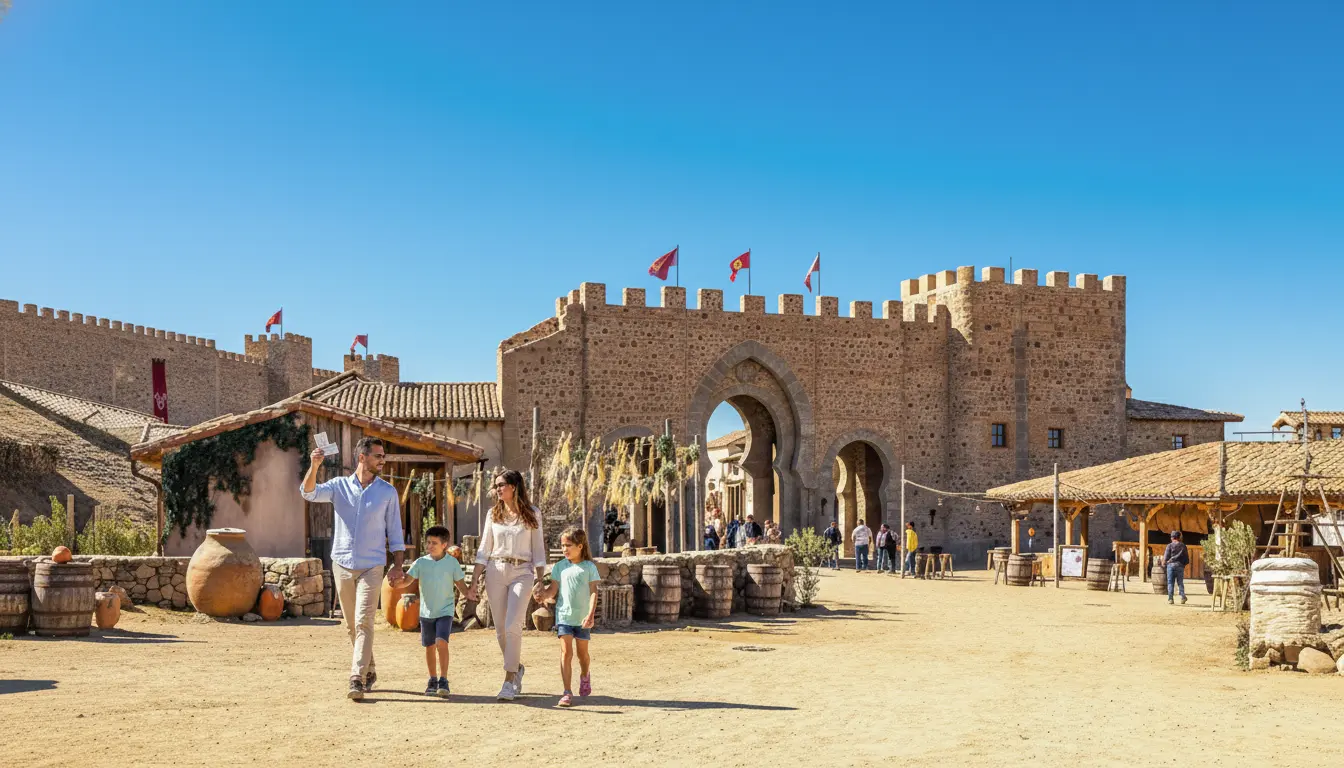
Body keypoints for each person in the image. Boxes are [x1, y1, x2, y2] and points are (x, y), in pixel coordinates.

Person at [301, 436, 408, 701]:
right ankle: (369, 669)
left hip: (373, 565)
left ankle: (356, 678)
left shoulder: (387, 492)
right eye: (378, 456)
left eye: (384, 456)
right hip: (343, 564)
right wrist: (314, 467)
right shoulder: (338, 486)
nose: (383, 460)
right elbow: (308, 493)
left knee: (364, 622)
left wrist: (397, 566)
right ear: (362, 457)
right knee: (351, 626)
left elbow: (395, 531)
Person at [470, 469, 546, 701]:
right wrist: (474, 580)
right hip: (495, 570)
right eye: (496, 485)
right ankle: (517, 667)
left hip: (522, 572)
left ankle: (509, 680)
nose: (497, 489)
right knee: (501, 630)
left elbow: (538, 550)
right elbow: (484, 549)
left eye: (501, 484)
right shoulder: (493, 514)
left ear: (514, 486)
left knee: (514, 624)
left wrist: (541, 581)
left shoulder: (532, 514)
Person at [533, 526, 601, 708]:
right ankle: (567, 692)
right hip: (563, 617)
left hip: (583, 619)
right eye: (563, 545)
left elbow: (594, 592)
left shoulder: (589, 567)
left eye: (568, 545)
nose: (565, 549)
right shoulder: (559, 567)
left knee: (582, 655)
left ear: (580, 546)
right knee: (566, 653)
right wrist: (542, 595)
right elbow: (553, 591)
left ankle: (585, 675)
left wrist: (590, 614)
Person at [407, 525, 471, 698]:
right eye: (428, 542)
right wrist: (395, 581)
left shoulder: (452, 563)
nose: (430, 546)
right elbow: (407, 580)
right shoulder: (420, 563)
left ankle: (444, 679)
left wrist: (469, 593)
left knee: (441, 642)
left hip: (445, 610)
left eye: (434, 543)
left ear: (444, 544)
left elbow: (460, 584)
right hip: (426, 612)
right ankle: (432, 679)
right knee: (429, 647)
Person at [1164, 530, 1189, 605]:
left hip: (1170, 566)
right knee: (1180, 582)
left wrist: (1165, 563)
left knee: (1170, 583)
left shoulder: (1169, 546)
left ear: (1172, 538)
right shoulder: (1183, 546)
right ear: (1179, 537)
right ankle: (1183, 597)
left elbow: (1166, 557)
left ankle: (1170, 599)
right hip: (1180, 566)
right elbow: (1186, 558)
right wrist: (1183, 564)